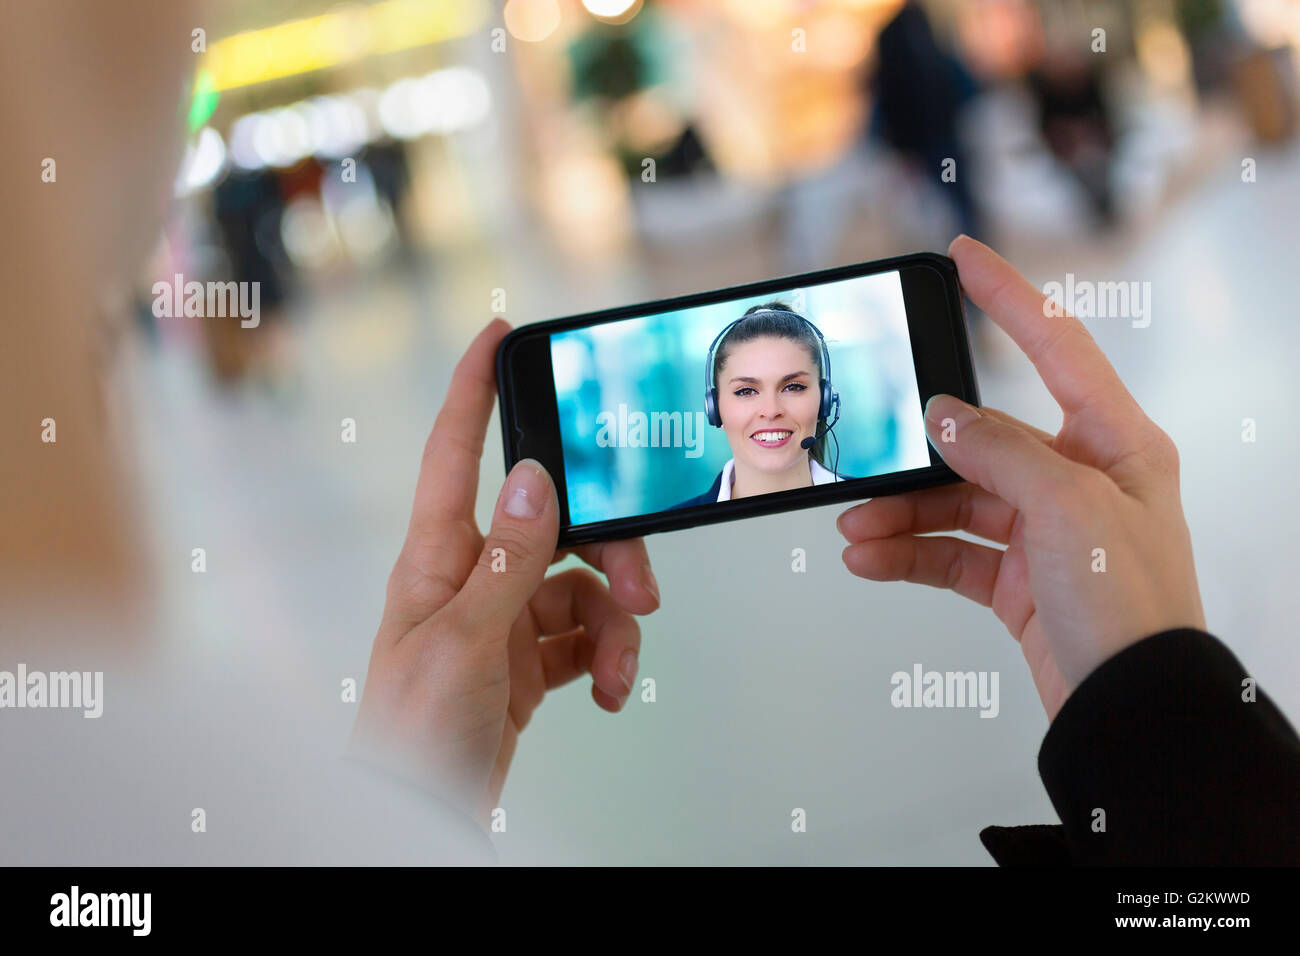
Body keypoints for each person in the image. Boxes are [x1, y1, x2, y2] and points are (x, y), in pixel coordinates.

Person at [671, 303, 849, 509]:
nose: (771, 411)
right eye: (746, 391)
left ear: (824, 401)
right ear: (714, 409)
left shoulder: (877, 505)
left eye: (793, 387)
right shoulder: (668, 531)